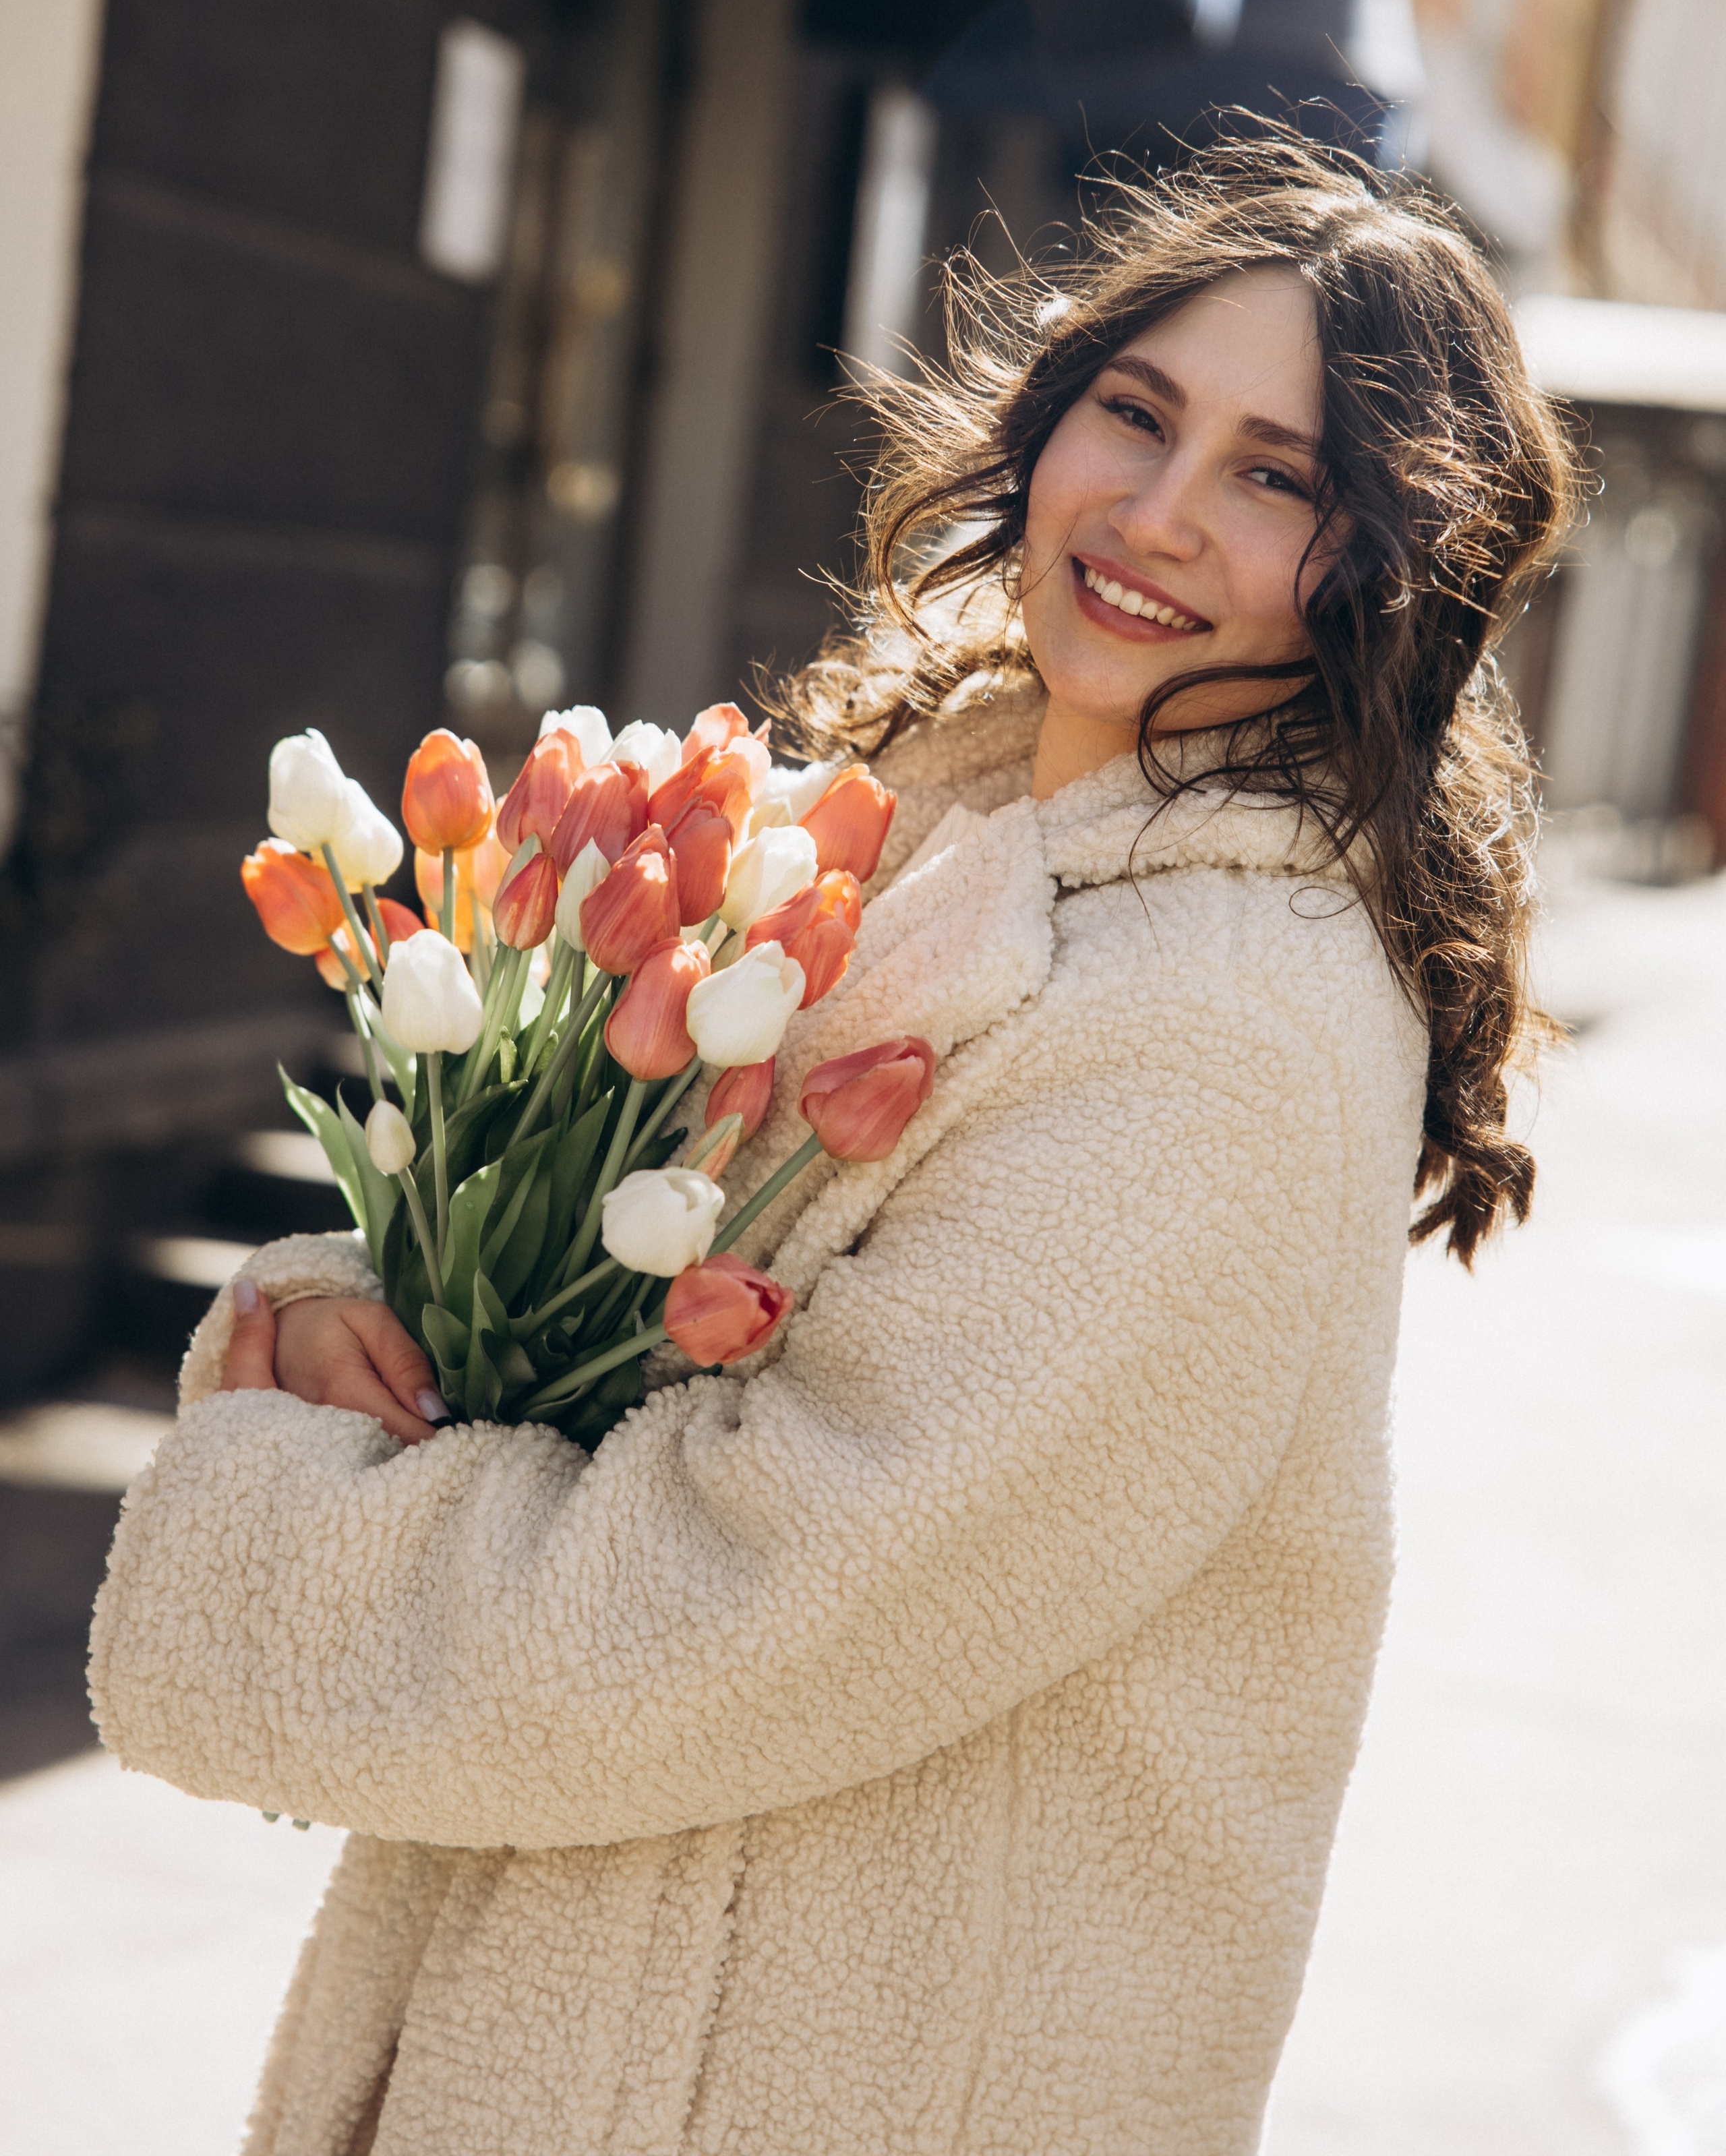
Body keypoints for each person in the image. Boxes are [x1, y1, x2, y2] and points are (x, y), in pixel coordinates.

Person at [90, 133, 1579, 2156]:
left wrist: (287, 1528)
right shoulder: (937, 840)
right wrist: (383, 1310)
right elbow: (652, 1309)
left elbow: (756, 1594)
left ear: (1393, 569)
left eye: (1274, 477)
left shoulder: (1215, 1030)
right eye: (1134, 414)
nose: (1153, 513)